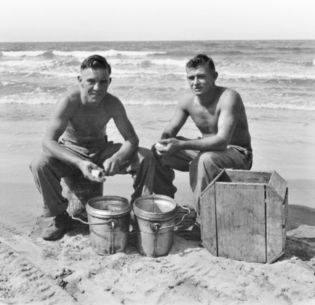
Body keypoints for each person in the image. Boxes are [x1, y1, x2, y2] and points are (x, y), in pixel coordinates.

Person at [30, 55, 155, 241]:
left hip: (101, 150)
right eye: (91, 81)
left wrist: (118, 157)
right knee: (39, 164)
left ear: (109, 81)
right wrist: (80, 163)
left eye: (103, 82)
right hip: (72, 152)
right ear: (80, 80)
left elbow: (131, 140)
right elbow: (48, 142)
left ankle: (139, 214)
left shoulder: (112, 103)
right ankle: (59, 216)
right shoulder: (69, 101)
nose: (97, 88)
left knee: (146, 157)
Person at [153, 54, 253, 224]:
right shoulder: (187, 101)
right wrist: (163, 143)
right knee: (157, 152)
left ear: (214, 77)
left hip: (237, 153)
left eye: (201, 77)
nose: (195, 82)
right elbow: (170, 129)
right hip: (206, 151)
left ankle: (204, 220)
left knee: (205, 159)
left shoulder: (229, 97)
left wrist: (181, 145)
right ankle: (166, 208)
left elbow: (222, 141)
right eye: (191, 78)